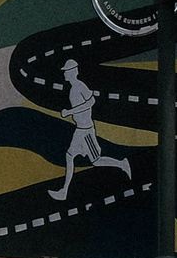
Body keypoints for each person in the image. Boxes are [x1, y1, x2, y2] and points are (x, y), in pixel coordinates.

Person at [48, 57, 130, 200]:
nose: (64, 74)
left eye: (66, 71)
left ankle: (122, 164)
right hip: (79, 130)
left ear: (73, 72)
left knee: (96, 160)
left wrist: (70, 112)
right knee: (69, 156)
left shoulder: (79, 87)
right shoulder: (74, 89)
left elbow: (91, 102)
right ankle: (64, 191)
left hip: (86, 131)